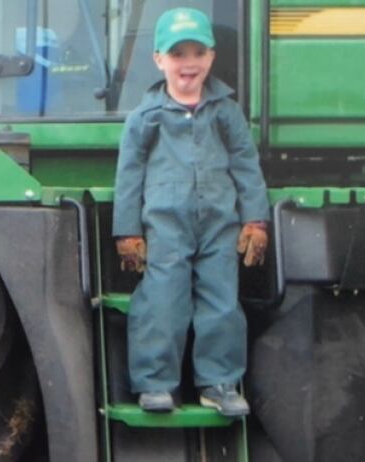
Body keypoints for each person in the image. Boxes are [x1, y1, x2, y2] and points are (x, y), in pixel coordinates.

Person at [112, 7, 270, 417]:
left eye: (197, 52)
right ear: (159, 60)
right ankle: (155, 383)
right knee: (162, 300)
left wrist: (255, 219)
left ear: (211, 57)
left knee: (221, 301)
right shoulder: (144, 118)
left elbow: (245, 165)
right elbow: (129, 176)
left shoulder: (226, 112)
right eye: (178, 53)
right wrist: (127, 231)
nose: (188, 63)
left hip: (221, 224)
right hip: (166, 226)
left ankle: (218, 383)